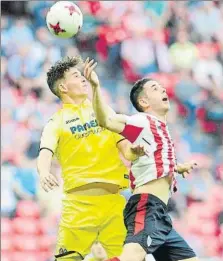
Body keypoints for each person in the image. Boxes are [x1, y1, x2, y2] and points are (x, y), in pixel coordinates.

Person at [85, 58, 199, 261]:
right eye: (155, 88)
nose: (163, 90)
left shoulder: (159, 129)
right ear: (144, 102)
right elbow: (107, 121)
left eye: (162, 87)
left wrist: (178, 167)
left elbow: (157, 159)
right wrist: (95, 87)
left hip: (160, 215)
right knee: (132, 257)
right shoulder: (141, 122)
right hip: (146, 206)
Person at [37, 56, 145, 261]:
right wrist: (43, 172)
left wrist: (135, 151)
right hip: (79, 206)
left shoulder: (105, 112)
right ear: (63, 87)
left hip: (113, 203)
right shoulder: (56, 122)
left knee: (132, 257)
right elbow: (45, 151)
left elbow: (127, 151)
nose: (83, 79)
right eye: (76, 76)